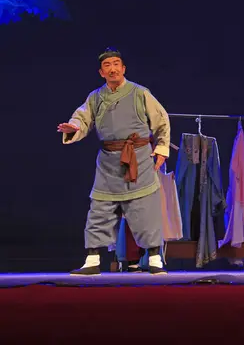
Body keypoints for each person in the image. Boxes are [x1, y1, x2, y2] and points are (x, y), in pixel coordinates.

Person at [57, 47, 171, 275]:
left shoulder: (140, 93)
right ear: (101, 72)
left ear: (123, 68)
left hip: (138, 159)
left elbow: (161, 120)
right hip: (108, 162)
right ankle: (92, 260)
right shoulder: (95, 97)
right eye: (107, 65)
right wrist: (74, 127)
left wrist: (161, 148)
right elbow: (82, 118)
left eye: (116, 64)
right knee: (99, 209)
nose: (113, 68)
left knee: (145, 208)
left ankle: (155, 258)